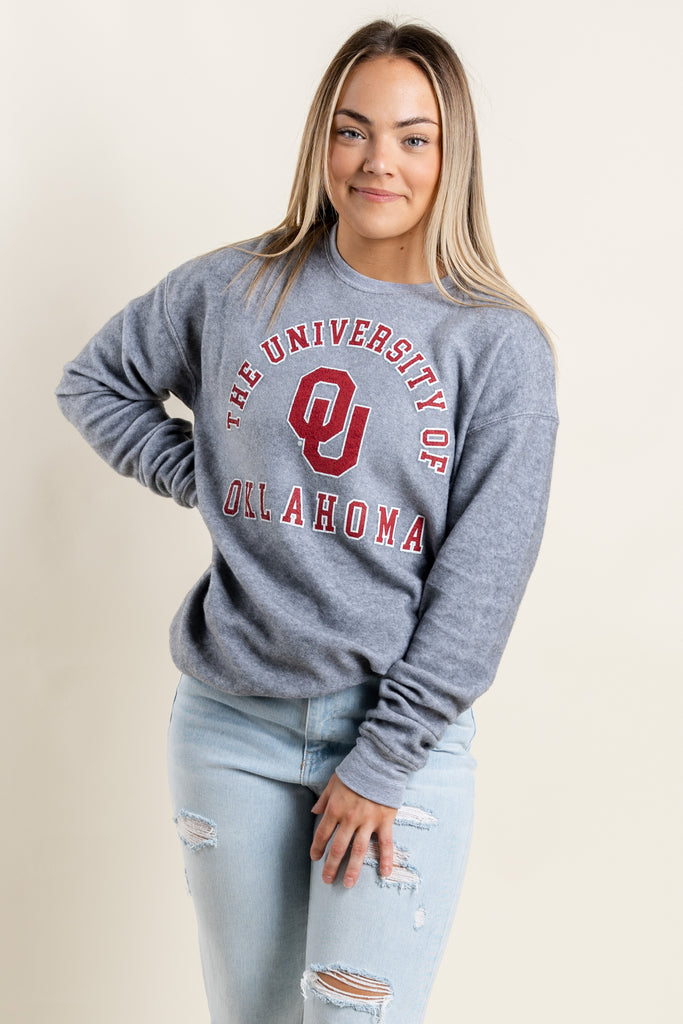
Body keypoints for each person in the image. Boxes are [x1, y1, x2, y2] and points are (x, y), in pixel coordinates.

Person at [55, 18, 558, 1024]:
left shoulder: (496, 345)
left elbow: (481, 583)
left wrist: (381, 762)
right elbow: (94, 383)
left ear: (452, 154)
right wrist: (209, 478)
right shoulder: (235, 288)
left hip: (395, 735)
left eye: (413, 137)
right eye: (351, 129)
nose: (377, 161)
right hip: (228, 724)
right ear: (320, 139)